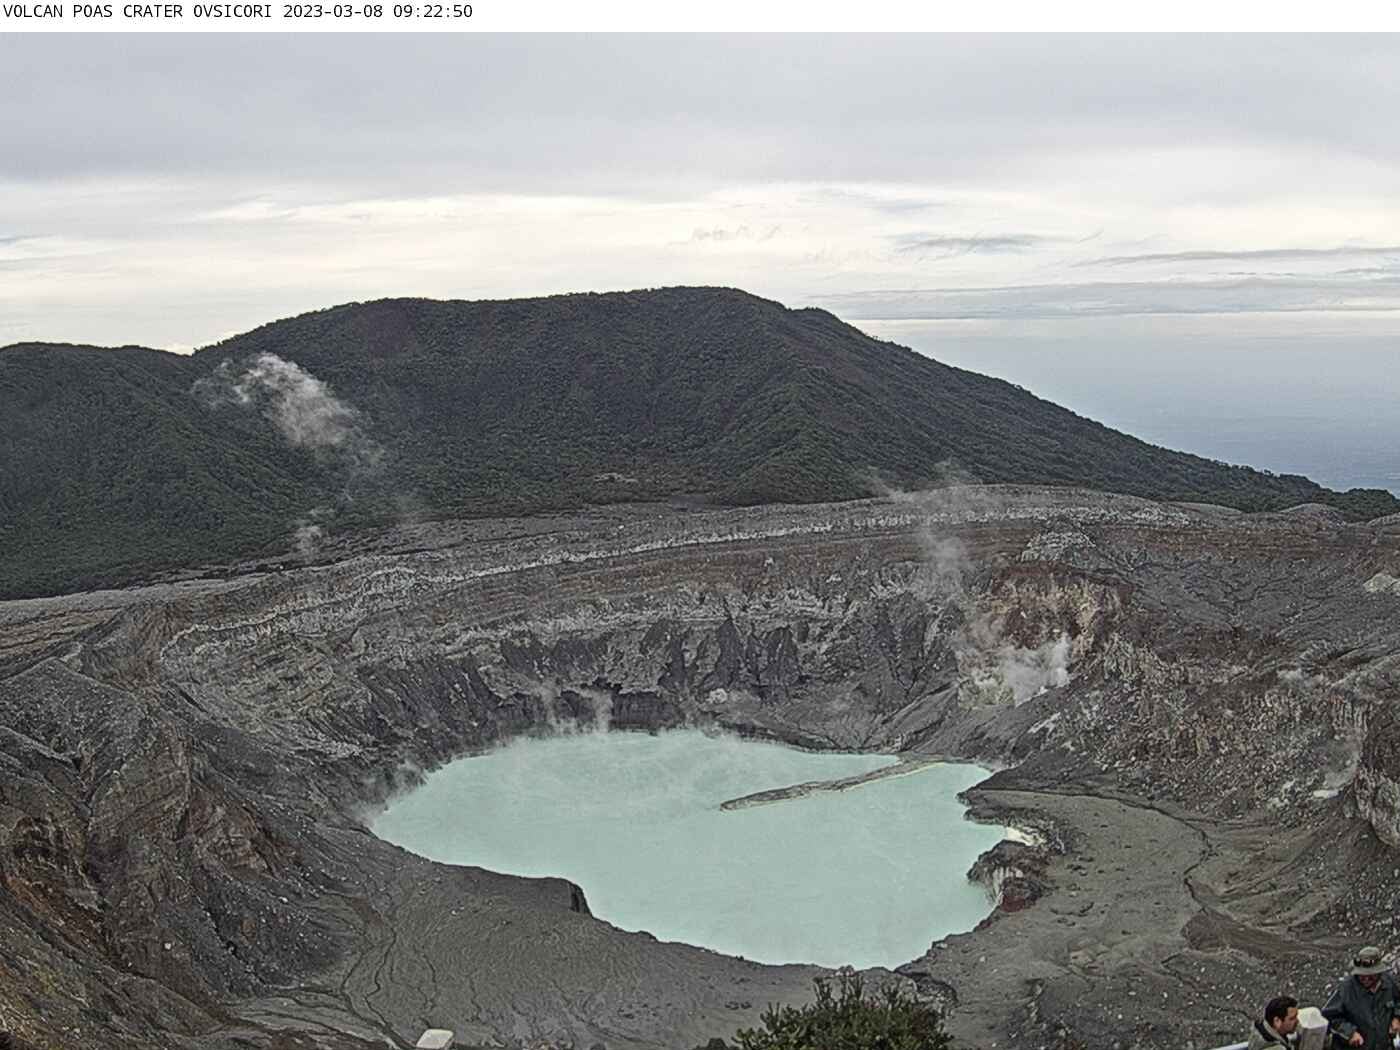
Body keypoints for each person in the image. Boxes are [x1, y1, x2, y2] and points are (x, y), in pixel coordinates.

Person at [1322, 945, 1400, 1049]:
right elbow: (1329, 1017)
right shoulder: (1346, 989)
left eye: (1370, 975)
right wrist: (1350, 1033)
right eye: (1362, 975)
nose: (1365, 978)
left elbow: (1398, 1002)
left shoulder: (1389, 983)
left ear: (1379, 972)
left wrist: (1396, 1018)